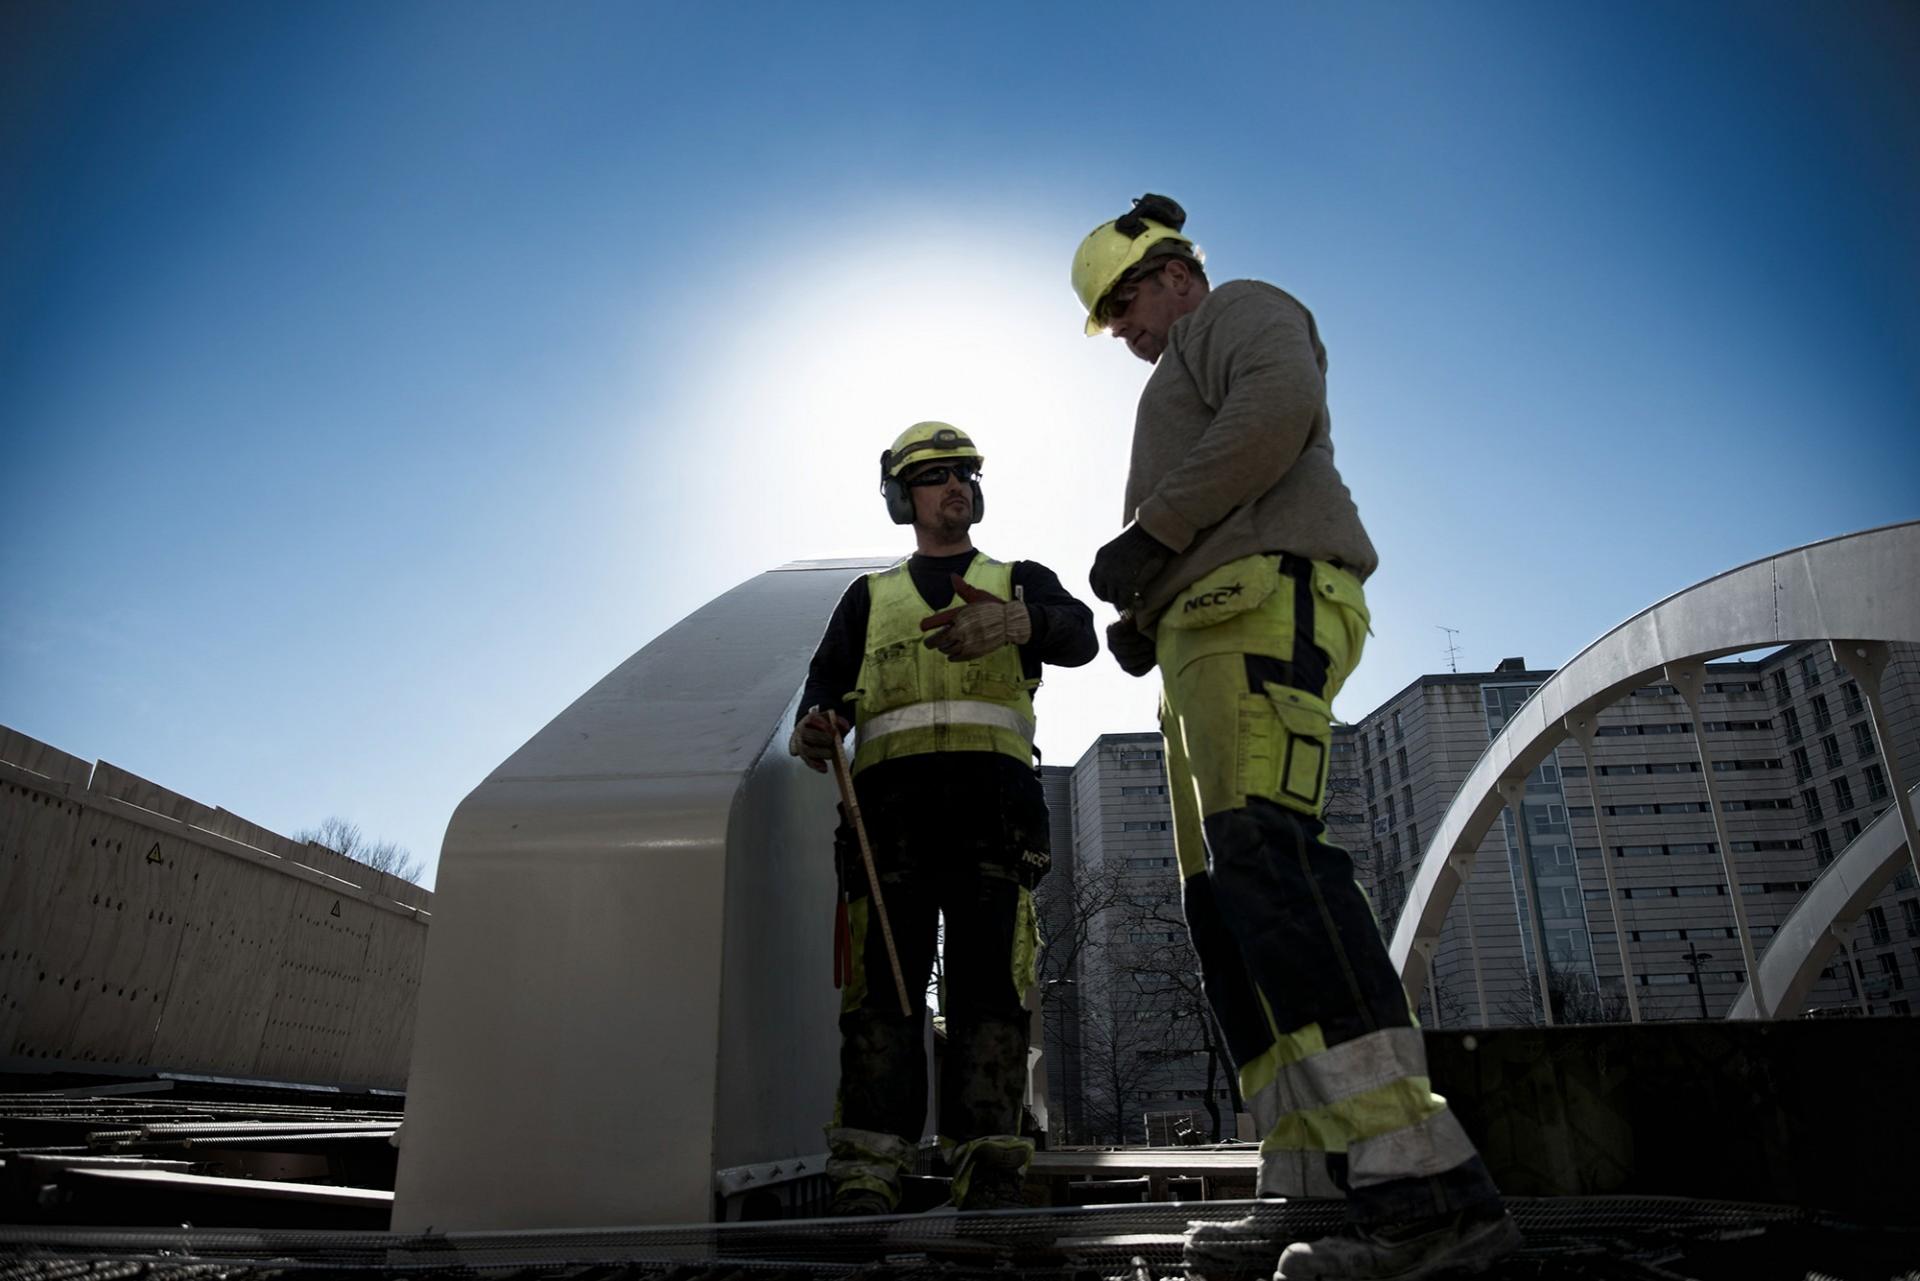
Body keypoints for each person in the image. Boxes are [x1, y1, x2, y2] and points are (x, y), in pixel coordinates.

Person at [1070, 196, 1519, 1279]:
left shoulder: (1239, 313)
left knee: (1277, 865)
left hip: (1260, 609)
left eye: (1121, 308)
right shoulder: (1181, 360)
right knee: (1230, 908)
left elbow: (1276, 409)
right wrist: (1145, 611)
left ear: (1171, 274)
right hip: (1208, 630)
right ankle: (1317, 1183)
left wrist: (1153, 537)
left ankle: (1426, 1193)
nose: (1122, 335)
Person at [789, 421, 1098, 1215]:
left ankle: (988, 1158)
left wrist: (1019, 621)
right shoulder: (867, 599)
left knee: (989, 990)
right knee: (882, 991)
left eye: (963, 472)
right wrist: (815, 726)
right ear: (904, 496)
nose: (954, 484)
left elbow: (1083, 636)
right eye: (934, 475)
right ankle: (868, 1165)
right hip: (887, 819)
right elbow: (822, 688)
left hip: (993, 815)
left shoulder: (1018, 577)